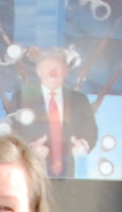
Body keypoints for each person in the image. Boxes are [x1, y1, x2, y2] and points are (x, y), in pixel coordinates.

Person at [11, 49, 102, 180]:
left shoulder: (80, 100)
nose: (53, 73)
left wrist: (83, 145)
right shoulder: (21, 98)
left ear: (65, 72)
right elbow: (12, 135)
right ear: (38, 71)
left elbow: (91, 132)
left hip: (71, 178)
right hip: (32, 176)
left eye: (58, 68)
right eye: (48, 67)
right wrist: (30, 150)